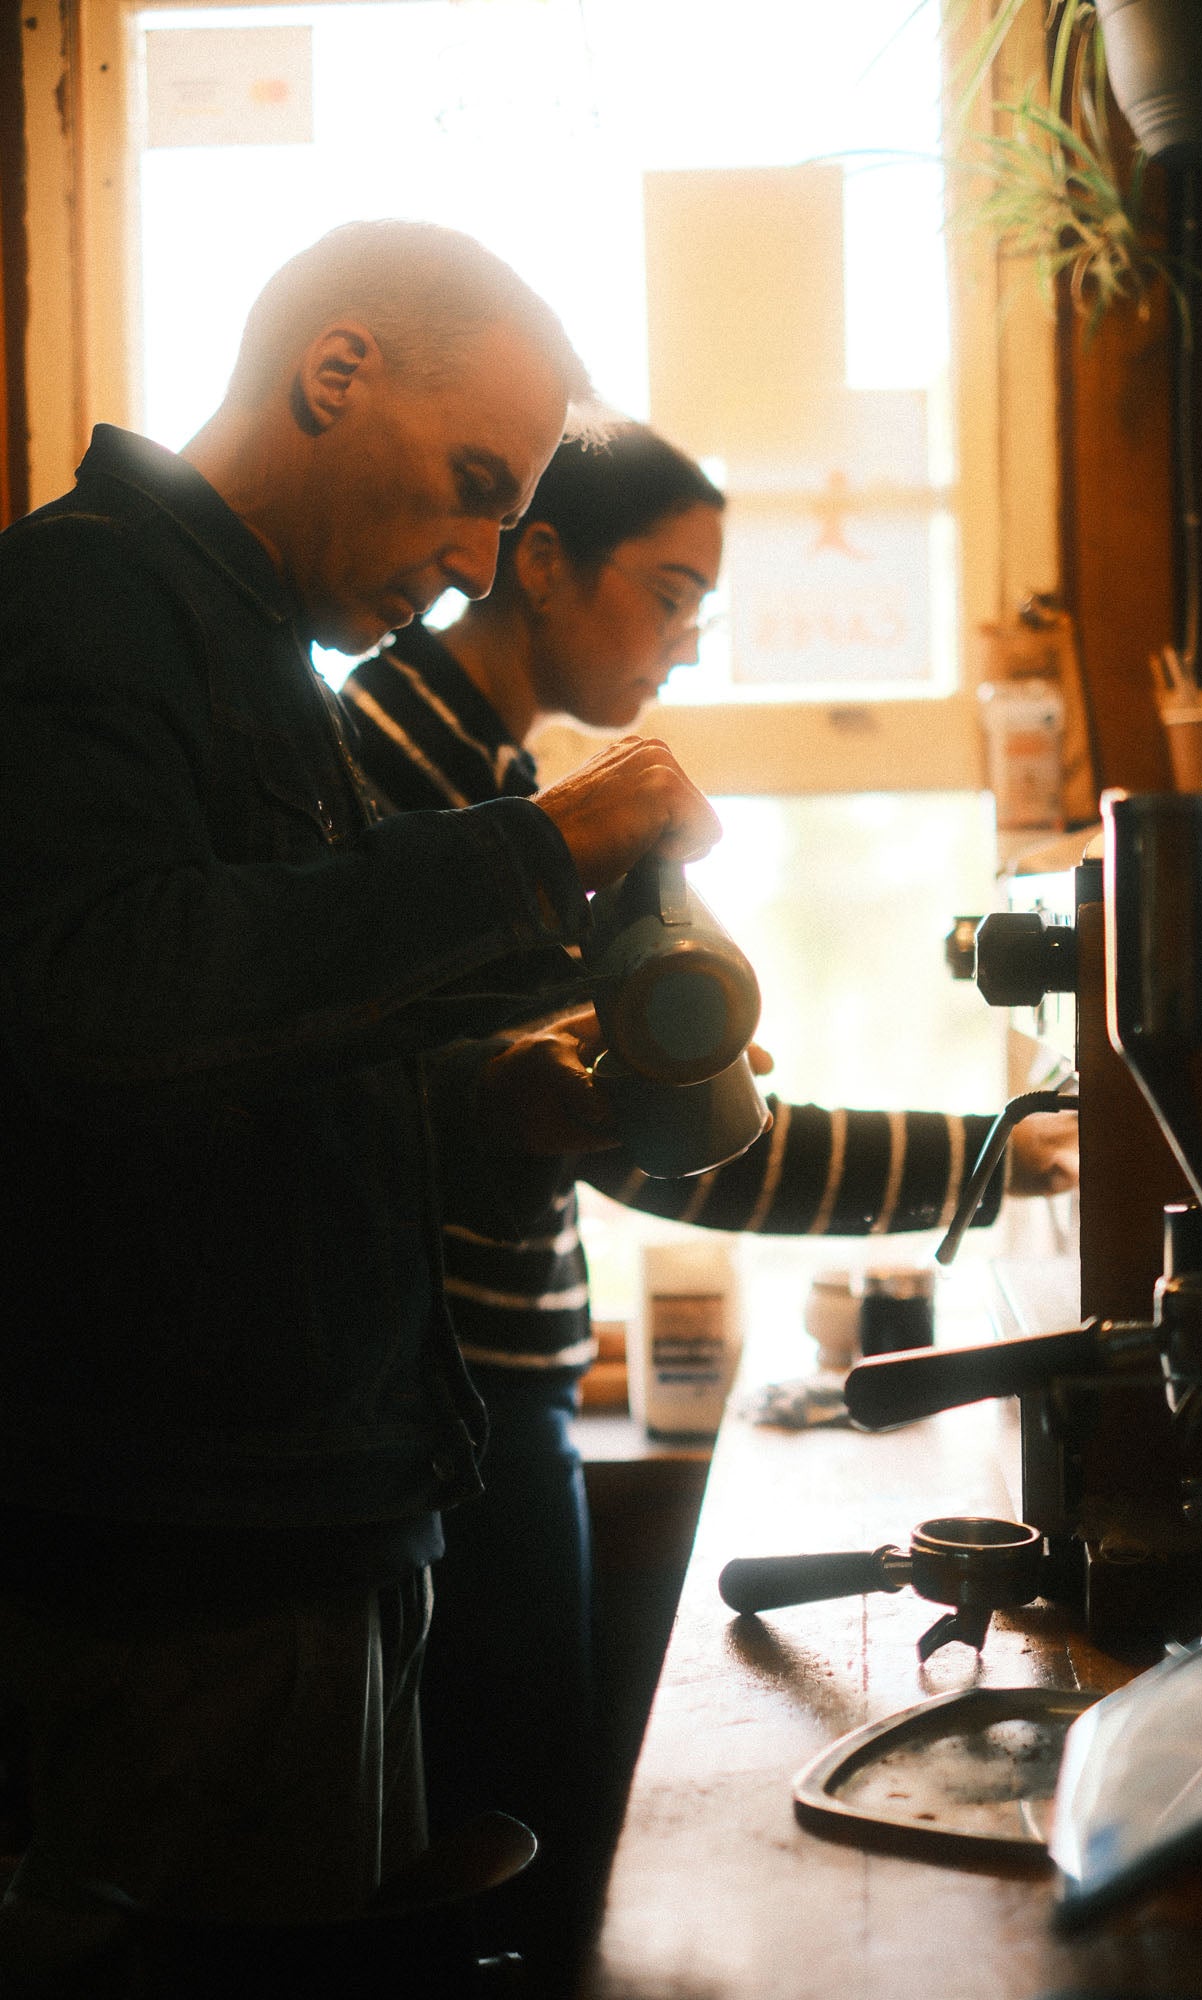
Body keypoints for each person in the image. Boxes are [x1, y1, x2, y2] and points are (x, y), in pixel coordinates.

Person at [0, 227, 724, 1993]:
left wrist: (495, 1108)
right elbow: (101, 991)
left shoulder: (261, 650)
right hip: (182, 1553)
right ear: (336, 374)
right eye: (474, 491)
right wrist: (537, 850)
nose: (479, 569)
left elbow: (254, 1054)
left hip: (313, 1520)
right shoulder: (86, 599)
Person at [342, 420, 1079, 1985]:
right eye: (669, 593)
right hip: (439, 1408)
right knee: (511, 1858)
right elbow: (672, 1151)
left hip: (478, 1396)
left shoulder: (494, 781)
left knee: (512, 1835)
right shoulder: (422, 788)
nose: (684, 641)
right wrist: (997, 1154)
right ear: (543, 562)